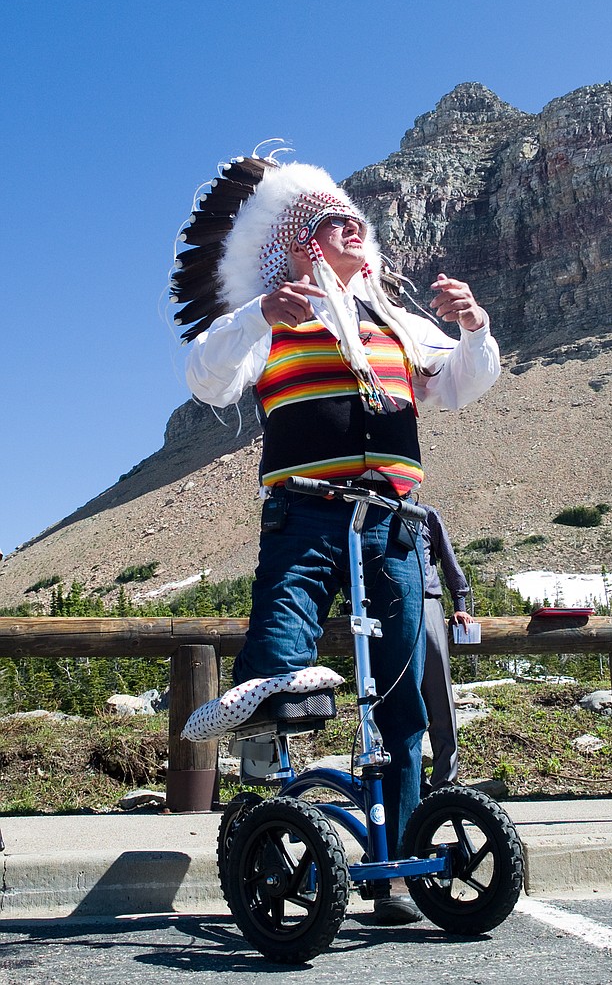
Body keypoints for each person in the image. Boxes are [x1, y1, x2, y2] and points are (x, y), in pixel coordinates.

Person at [173, 156, 501, 923]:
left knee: (405, 699)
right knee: (282, 667)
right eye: (331, 223)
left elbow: (458, 384)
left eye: (357, 222)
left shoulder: (395, 321)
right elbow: (205, 377)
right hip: (306, 513)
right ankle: (271, 821)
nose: (353, 228)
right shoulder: (270, 315)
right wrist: (261, 316)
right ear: (299, 247)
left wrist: (474, 326)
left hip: (393, 522)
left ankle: (396, 863)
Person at [418, 502, 475, 793]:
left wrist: (460, 605)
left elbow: (449, 561)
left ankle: (445, 781)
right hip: (387, 609)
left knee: (439, 693)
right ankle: (410, 780)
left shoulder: (427, 515)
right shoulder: (371, 513)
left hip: (428, 604)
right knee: (400, 701)